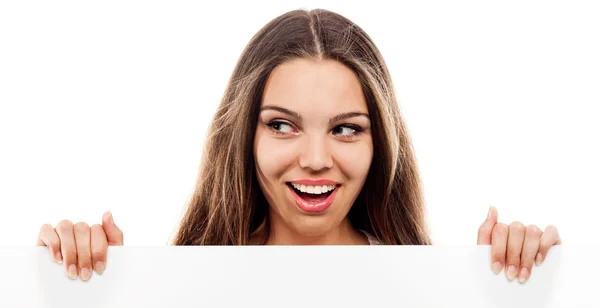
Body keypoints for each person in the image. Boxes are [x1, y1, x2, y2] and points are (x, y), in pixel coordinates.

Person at [36, 8, 561, 284]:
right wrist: (98, 292)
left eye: (346, 128)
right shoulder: (182, 285)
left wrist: (512, 288)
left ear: (382, 145)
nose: (314, 159)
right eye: (283, 126)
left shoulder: (431, 288)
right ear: (244, 137)